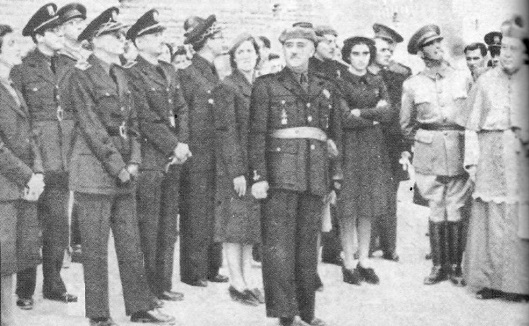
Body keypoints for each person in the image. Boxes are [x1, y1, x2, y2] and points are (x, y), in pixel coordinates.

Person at [66, 7, 175, 325]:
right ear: (97, 40)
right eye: (114, 35)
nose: (120, 39)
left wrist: (136, 160)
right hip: (95, 173)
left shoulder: (123, 74)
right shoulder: (81, 76)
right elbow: (92, 128)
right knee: (96, 249)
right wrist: (119, 166)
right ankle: (99, 314)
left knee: (131, 243)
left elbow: (136, 124)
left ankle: (140, 307)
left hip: (126, 170)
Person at [248, 26, 343, 326]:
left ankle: (307, 312)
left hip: (315, 175)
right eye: (289, 45)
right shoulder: (266, 85)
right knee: (279, 248)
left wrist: (334, 178)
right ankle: (285, 316)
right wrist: (259, 176)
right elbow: (256, 135)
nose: (293, 51)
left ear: (313, 51)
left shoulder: (326, 86)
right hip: (279, 175)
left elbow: (334, 136)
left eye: (301, 46)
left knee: (306, 249)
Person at [10, 3, 78, 309]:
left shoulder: (69, 65)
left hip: (63, 158)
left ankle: (54, 285)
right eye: (53, 30)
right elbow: (20, 119)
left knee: (58, 225)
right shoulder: (22, 69)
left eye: (60, 28)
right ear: (39, 36)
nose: (60, 33)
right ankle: (25, 290)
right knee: (29, 226)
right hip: (35, 157)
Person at [459, 16, 529, 302]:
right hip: (490, 154)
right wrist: (472, 163)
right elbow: (471, 128)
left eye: (515, 49)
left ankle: (520, 284)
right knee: (490, 218)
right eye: (504, 50)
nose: (508, 55)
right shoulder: (485, 82)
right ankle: (489, 281)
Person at [125, 8, 191, 303]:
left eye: (160, 34)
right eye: (153, 35)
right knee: (148, 228)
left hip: (174, 158)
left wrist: (183, 143)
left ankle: (163, 283)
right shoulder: (132, 73)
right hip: (152, 159)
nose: (160, 39)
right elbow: (145, 117)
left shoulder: (169, 69)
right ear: (138, 42)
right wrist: (172, 145)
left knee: (167, 227)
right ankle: (147, 289)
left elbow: (182, 108)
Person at [401, 25, 472, 286]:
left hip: (457, 149)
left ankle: (455, 266)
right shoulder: (412, 84)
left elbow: (471, 115)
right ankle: (437, 265)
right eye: (431, 45)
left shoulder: (462, 77)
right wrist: (423, 142)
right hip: (428, 152)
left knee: (455, 208)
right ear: (421, 52)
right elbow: (406, 125)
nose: (438, 47)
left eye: (439, 42)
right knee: (435, 207)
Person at [212, 32, 263, 306]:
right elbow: (226, 132)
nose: (246, 56)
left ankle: (248, 279)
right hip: (236, 168)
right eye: (240, 52)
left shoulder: (258, 85)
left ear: (258, 55)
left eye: (250, 51)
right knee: (233, 227)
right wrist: (236, 172)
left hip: (255, 168)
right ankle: (235, 282)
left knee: (248, 226)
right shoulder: (227, 87)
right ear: (233, 58)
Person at [178, 14, 228, 287]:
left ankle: (211, 266)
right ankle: (193, 270)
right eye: (218, 37)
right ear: (207, 42)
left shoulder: (213, 71)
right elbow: (183, 115)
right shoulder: (188, 74)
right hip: (196, 154)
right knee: (195, 212)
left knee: (213, 210)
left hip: (214, 153)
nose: (223, 41)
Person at [338, 36, 393, 285]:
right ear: (348, 56)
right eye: (356, 54)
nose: (361, 58)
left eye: (365, 54)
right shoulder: (340, 82)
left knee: (368, 207)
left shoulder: (377, 80)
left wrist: (361, 113)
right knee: (349, 206)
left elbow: (388, 112)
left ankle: (365, 260)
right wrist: (373, 116)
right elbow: (344, 118)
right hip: (350, 149)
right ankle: (348, 262)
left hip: (373, 148)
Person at [0, 24, 45, 326]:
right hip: (5, 187)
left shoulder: (12, 86)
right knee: (2, 258)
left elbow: (30, 136)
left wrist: (38, 173)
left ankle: (8, 317)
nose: (20, 47)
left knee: (12, 258)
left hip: (21, 186)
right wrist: (28, 176)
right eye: (11, 42)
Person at [368, 23, 413, 262]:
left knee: (389, 195)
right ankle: (367, 243)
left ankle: (388, 246)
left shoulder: (397, 77)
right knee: (367, 193)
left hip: (391, 143)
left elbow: (401, 116)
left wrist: (404, 148)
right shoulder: (360, 75)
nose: (387, 54)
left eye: (390, 50)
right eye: (383, 49)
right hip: (366, 142)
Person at [56, 1, 89, 264]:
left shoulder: (82, 53)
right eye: (72, 24)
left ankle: (77, 241)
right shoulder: (61, 57)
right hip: (69, 127)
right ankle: (66, 246)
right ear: (62, 28)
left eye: (80, 23)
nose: (78, 28)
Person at [310, 25, 345, 267]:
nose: (333, 46)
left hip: (337, 132)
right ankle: (311, 259)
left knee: (337, 192)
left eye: (335, 41)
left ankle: (333, 250)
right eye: (327, 42)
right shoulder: (309, 69)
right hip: (319, 137)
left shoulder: (338, 70)